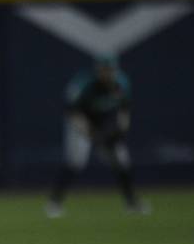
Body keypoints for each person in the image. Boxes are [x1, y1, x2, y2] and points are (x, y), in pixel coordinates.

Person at [45, 56, 149, 218]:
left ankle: (132, 203)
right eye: (104, 70)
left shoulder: (122, 83)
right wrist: (92, 133)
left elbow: (124, 111)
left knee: (121, 161)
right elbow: (72, 113)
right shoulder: (84, 84)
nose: (107, 74)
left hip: (104, 123)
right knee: (76, 161)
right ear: (97, 71)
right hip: (80, 124)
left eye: (110, 70)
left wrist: (120, 131)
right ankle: (54, 203)